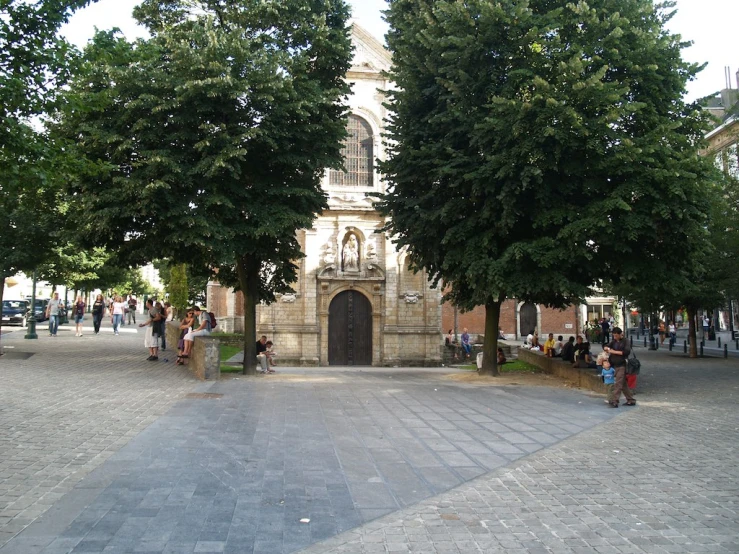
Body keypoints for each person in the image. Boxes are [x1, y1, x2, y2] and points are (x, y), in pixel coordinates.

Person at [604, 327, 635, 408]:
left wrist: (613, 351)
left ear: (620, 334)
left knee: (618, 383)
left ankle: (615, 401)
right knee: (623, 384)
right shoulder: (614, 341)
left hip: (622, 365)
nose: (615, 337)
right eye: (614, 336)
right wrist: (606, 348)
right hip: (614, 365)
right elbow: (606, 345)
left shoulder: (625, 341)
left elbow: (626, 352)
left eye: (616, 336)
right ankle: (630, 400)